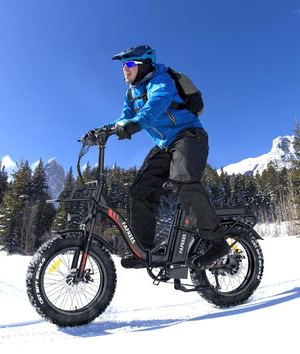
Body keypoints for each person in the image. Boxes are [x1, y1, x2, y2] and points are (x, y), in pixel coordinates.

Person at [94, 45, 230, 268]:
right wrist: (103, 130)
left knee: (184, 180)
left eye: (129, 65)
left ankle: (216, 241)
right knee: (140, 190)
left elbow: (154, 107)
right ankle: (144, 251)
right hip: (165, 145)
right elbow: (124, 119)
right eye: (122, 66)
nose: (124, 70)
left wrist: (135, 124)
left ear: (144, 64)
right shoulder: (131, 93)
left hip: (189, 136)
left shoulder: (161, 79)